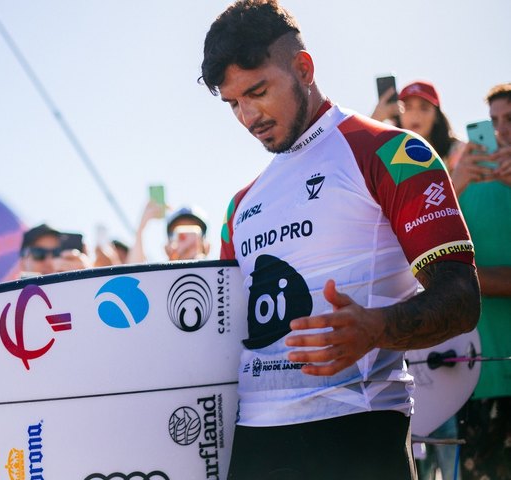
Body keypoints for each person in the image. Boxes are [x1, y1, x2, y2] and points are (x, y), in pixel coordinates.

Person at [200, 1, 480, 478]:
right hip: (254, 443)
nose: (248, 116)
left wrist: (378, 327)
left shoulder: (392, 151)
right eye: (232, 104)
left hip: (356, 433)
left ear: (303, 68)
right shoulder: (240, 205)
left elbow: (460, 297)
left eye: (258, 92)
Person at [454, 83, 511, 480]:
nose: (501, 131)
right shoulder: (465, 189)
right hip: (481, 380)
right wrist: (452, 187)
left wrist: (467, 280)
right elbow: (424, 263)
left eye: (510, 120)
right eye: (493, 122)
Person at [372, 80, 465, 169]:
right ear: (398, 115)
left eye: (424, 108)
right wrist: (376, 119)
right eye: (407, 107)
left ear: (436, 115)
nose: (415, 114)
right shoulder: (388, 153)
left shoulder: (459, 151)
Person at [127, 201, 211, 263]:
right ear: (166, 247)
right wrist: (140, 231)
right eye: (180, 236)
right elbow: (132, 278)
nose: (187, 244)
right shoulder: (158, 279)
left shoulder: (219, 277)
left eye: (193, 234)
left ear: (207, 246)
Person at [19, 224, 91, 277]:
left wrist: (89, 277)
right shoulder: (10, 296)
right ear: (22, 263)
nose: (49, 262)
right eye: (39, 253)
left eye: (56, 253)